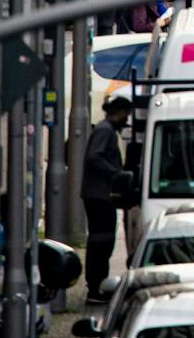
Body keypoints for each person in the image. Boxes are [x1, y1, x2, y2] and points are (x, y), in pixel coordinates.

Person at [82, 94, 135, 301]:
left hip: (99, 195)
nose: (126, 119)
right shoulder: (105, 131)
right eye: (126, 114)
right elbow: (94, 156)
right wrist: (115, 173)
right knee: (101, 242)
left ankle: (97, 284)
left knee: (101, 241)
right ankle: (96, 286)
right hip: (99, 195)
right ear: (120, 112)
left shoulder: (105, 130)